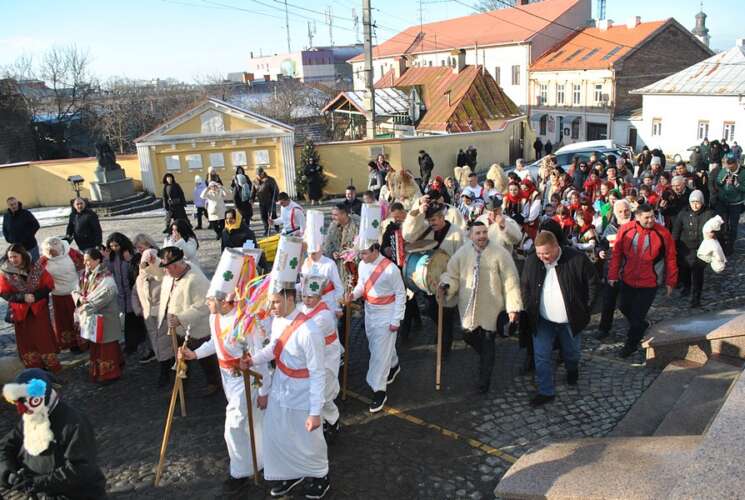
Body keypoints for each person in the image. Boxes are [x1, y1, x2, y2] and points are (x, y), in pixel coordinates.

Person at [181, 288, 271, 495]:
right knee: (254, 422)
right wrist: (194, 354)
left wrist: (265, 389)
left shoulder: (246, 322)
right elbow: (215, 343)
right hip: (227, 378)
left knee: (235, 425)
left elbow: (260, 356)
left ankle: (239, 473)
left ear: (224, 302)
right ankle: (261, 461)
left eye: (210, 299)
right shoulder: (214, 318)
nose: (206, 303)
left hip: (248, 379)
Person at [244, 286, 330, 499]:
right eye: (270, 302)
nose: (270, 307)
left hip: (304, 392)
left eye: (274, 302)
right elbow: (274, 348)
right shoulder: (278, 320)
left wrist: (315, 412)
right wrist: (252, 360)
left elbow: (318, 373)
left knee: (308, 439)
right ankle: (290, 472)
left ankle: (320, 476)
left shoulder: (309, 331)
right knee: (279, 433)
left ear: (290, 298)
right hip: (281, 386)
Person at [438, 222, 522, 393]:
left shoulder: (500, 253)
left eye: (484, 232)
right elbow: (452, 275)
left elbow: (511, 281)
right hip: (469, 308)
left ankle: (484, 383)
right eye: (478, 233)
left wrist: (513, 307)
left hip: (491, 307)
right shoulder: (462, 253)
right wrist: (446, 285)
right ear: (471, 235)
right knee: (468, 337)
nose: (482, 236)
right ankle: (485, 355)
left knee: (488, 343)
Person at [0, 368, 106, 499]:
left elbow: (81, 469)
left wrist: (37, 483)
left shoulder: (74, 423)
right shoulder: (30, 417)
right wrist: (9, 474)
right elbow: (5, 446)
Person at [521, 231, 599, 406]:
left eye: (546, 253)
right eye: (539, 253)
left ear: (557, 247)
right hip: (542, 319)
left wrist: (586, 309)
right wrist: (528, 306)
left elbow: (593, 282)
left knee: (572, 353)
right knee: (541, 355)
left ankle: (572, 369)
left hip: (570, 319)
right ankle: (545, 391)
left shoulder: (577, 259)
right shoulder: (532, 261)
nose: (543, 257)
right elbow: (525, 285)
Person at [608, 204, 678, 358]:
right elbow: (617, 254)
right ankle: (642, 326)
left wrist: (671, 281)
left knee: (637, 316)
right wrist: (613, 275)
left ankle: (631, 344)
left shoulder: (662, 233)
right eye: (646, 217)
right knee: (624, 307)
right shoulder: (626, 229)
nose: (650, 220)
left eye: (652, 216)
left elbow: (671, 258)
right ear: (638, 217)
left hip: (649, 283)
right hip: (628, 279)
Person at [347, 241, 406, 413]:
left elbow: (401, 294)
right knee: (378, 346)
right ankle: (394, 365)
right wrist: (353, 294)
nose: (362, 257)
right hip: (370, 311)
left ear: (375, 250)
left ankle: (379, 390)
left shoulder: (391, 269)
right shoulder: (363, 265)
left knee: (379, 354)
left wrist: (396, 319)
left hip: (386, 314)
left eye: (365, 253)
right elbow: (362, 285)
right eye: (361, 253)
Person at [402, 198, 466, 355]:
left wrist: (456, 280)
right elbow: (408, 235)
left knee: (446, 316)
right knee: (432, 311)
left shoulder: (457, 232)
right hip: (430, 282)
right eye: (429, 220)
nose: (432, 223)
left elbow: (463, 258)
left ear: (442, 217)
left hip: (448, 282)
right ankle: (442, 333)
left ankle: (445, 349)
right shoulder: (426, 230)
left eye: (434, 219)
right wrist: (417, 211)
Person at [157, 246, 220, 397]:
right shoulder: (173, 275)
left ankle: (215, 383)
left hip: (197, 330)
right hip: (179, 329)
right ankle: (179, 388)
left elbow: (203, 305)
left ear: (175, 266)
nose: (165, 271)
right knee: (182, 360)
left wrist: (180, 318)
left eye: (166, 268)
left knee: (206, 359)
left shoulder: (195, 279)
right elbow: (158, 275)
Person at [0, 244, 61, 372]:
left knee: (43, 337)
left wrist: (35, 296)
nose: (12, 260)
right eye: (10, 257)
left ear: (22, 255)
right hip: (20, 312)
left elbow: (49, 285)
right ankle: (34, 368)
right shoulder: (5, 273)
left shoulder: (36, 268)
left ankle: (51, 365)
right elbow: (4, 292)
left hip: (39, 310)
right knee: (26, 340)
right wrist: (22, 297)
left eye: (15, 256)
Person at [298, 274, 343, 441]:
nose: (307, 300)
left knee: (324, 393)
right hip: (314, 357)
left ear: (319, 296)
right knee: (316, 393)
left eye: (311, 297)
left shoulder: (323, 316)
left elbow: (306, 335)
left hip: (326, 357)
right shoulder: (302, 308)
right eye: (304, 296)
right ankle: (323, 421)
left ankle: (333, 420)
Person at [74, 248, 124, 383]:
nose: (86, 263)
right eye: (84, 261)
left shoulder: (106, 277)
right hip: (93, 315)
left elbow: (107, 295)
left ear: (97, 260)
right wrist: (80, 299)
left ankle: (110, 374)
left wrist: (87, 305)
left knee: (107, 346)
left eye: (88, 260)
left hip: (105, 316)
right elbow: (76, 290)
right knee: (97, 344)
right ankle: (99, 371)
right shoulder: (84, 275)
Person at [132, 248, 171, 387]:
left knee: (165, 343)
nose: (146, 267)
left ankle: (165, 371)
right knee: (156, 343)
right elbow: (135, 295)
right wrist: (138, 310)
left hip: (163, 316)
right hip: (149, 317)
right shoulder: (140, 278)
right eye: (144, 264)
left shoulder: (164, 276)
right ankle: (164, 367)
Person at [596, 200, 632, 339]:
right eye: (620, 211)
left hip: (629, 270)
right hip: (611, 270)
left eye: (626, 210)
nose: (624, 214)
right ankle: (604, 328)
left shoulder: (635, 226)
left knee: (627, 302)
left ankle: (636, 324)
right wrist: (600, 252)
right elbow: (602, 245)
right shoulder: (610, 228)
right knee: (608, 301)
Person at [39, 237, 83, 353]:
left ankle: (84, 341)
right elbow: (37, 277)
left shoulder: (72, 253)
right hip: (58, 295)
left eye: (53, 252)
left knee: (79, 318)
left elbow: (84, 265)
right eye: (49, 252)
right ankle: (71, 344)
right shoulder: (43, 261)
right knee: (64, 321)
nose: (51, 254)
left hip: (75, 292)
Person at [672, 190, 714, 308]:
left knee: (697, 273)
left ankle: (696, 298)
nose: (695, 205)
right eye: (693, 202)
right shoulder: (683, 213)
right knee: (685, 270)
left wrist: (714, 235)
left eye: (697, 202)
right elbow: (676, 230)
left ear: (702, 202)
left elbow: (718, 228)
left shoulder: (709, 213)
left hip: (701, 248)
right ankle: (686, 287)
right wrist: (673, 244)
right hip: (685, 248)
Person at [105, 232, 144, 357]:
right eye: (112, 246)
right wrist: (105, 258)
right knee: (130, 320)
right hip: (122, 294)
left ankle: (133, 344)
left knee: (132, 320)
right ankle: (134, 342)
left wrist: (129, 261)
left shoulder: (130, 254)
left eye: (116, 246)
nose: (114, 248)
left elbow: (135, 271)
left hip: (132, 292)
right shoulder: (113, 256)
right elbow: (109, 270)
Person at [716, 153, 745, 255]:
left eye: (731, 163)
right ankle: (722, 244)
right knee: (722, 224)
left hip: (736, 204)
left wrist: (737, 184)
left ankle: (730, 246)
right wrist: (723, 180)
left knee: (733, 226)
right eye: (727, 163)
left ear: (736, 162)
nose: (729, 166)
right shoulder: (724, 170)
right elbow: (718, 182)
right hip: (723, 202)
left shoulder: (743, 173)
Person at [3, 197, 41, 262]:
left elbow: (36, 225)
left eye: (15, 204)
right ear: (8, 206)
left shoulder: (26, 213)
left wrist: (27, 237)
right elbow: (5, 229)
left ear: (17, 203)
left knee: (35, 265)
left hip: (30, 246)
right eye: (11, 205)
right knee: (22, 267)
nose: (14, 206)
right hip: (17, 248)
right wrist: (9, 239)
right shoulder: (6, 216)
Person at [253, 167, 279, 236]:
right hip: (261, 202)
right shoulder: (255, 181)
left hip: (270, 201)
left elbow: (275, 190)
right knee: (263, 216)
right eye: (257, 174)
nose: (258, 176)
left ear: (263, 173)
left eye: (259, 174)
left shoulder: (270, 180)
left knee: (273, 215)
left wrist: (276, 198)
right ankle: (267, 229)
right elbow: (253, 191)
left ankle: (277, 228)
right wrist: (251, 199)